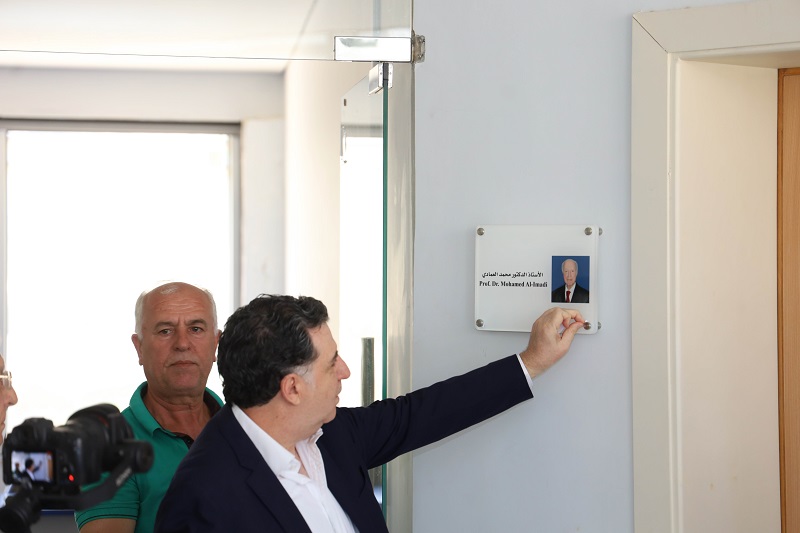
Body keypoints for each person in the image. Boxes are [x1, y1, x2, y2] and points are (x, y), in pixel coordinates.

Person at [155, 294, 584, 532]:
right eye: (331, 364)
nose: (345, 371)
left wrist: (533, 360)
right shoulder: (203, 497)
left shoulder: (333, 433)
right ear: (292, 389)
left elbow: (425, 413)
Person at [75, 282, 223, 533]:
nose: (182, 343)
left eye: (196, 329)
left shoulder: (246, 428)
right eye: (165, 331)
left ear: (215, 344)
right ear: (139, 347)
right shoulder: (108, 447)